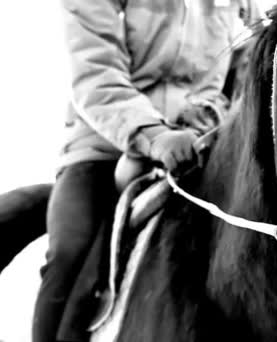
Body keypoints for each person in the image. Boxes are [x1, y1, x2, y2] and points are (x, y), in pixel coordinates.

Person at [33, 0, 260, 341]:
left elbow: (249, 64)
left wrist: (212, 114)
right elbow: (95, 73)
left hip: (200, 145)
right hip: (104, 144)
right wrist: (153, 135)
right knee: (69, 254)